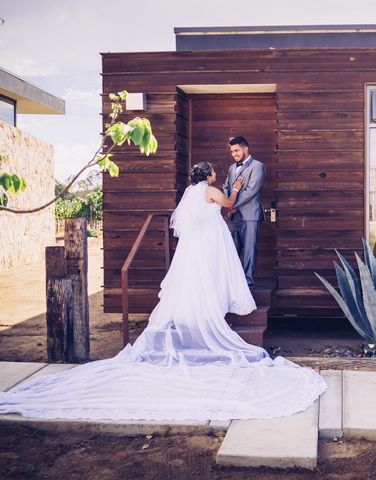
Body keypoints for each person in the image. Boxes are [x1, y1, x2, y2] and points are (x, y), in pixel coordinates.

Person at [0, 162, 326, 422]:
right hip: (210, 242)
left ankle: (197, 310)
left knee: (193, 278)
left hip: (193, 246)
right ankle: (211, 313)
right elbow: (228, 205)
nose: (214, 175)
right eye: (213, 172)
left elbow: (183, 222)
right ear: (209, 175)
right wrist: (236, 187)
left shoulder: (188, 193)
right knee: (213, 274)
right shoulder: (211, 191)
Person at [222, 136, 266, 288]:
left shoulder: (258, 166)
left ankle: (248, 282)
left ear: (245, 149)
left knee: (249, 249)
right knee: (232, 248)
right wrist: (227, 203)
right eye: (232, 151)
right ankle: (232, 282)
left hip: (250, 215)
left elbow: (251, 191)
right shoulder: (231, 168)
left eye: (236, 150)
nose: (234, 154)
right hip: (233, 215)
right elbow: (226, 186)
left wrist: (234, 205)